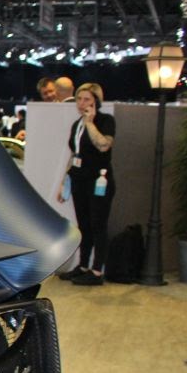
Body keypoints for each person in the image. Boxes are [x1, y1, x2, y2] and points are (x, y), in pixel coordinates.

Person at [57, 82, 115, 286]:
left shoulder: (105, 121)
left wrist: (90, 123)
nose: (81, 103)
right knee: (84, 225)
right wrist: (65, 181)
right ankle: (83, 265)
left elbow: (103, 145)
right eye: (79, 99)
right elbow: (75, 154)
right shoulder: (77, 124)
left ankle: (97, 270)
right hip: (79, 180)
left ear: (96, 101)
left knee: (98, 224)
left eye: (87, 99)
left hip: (98, 181)